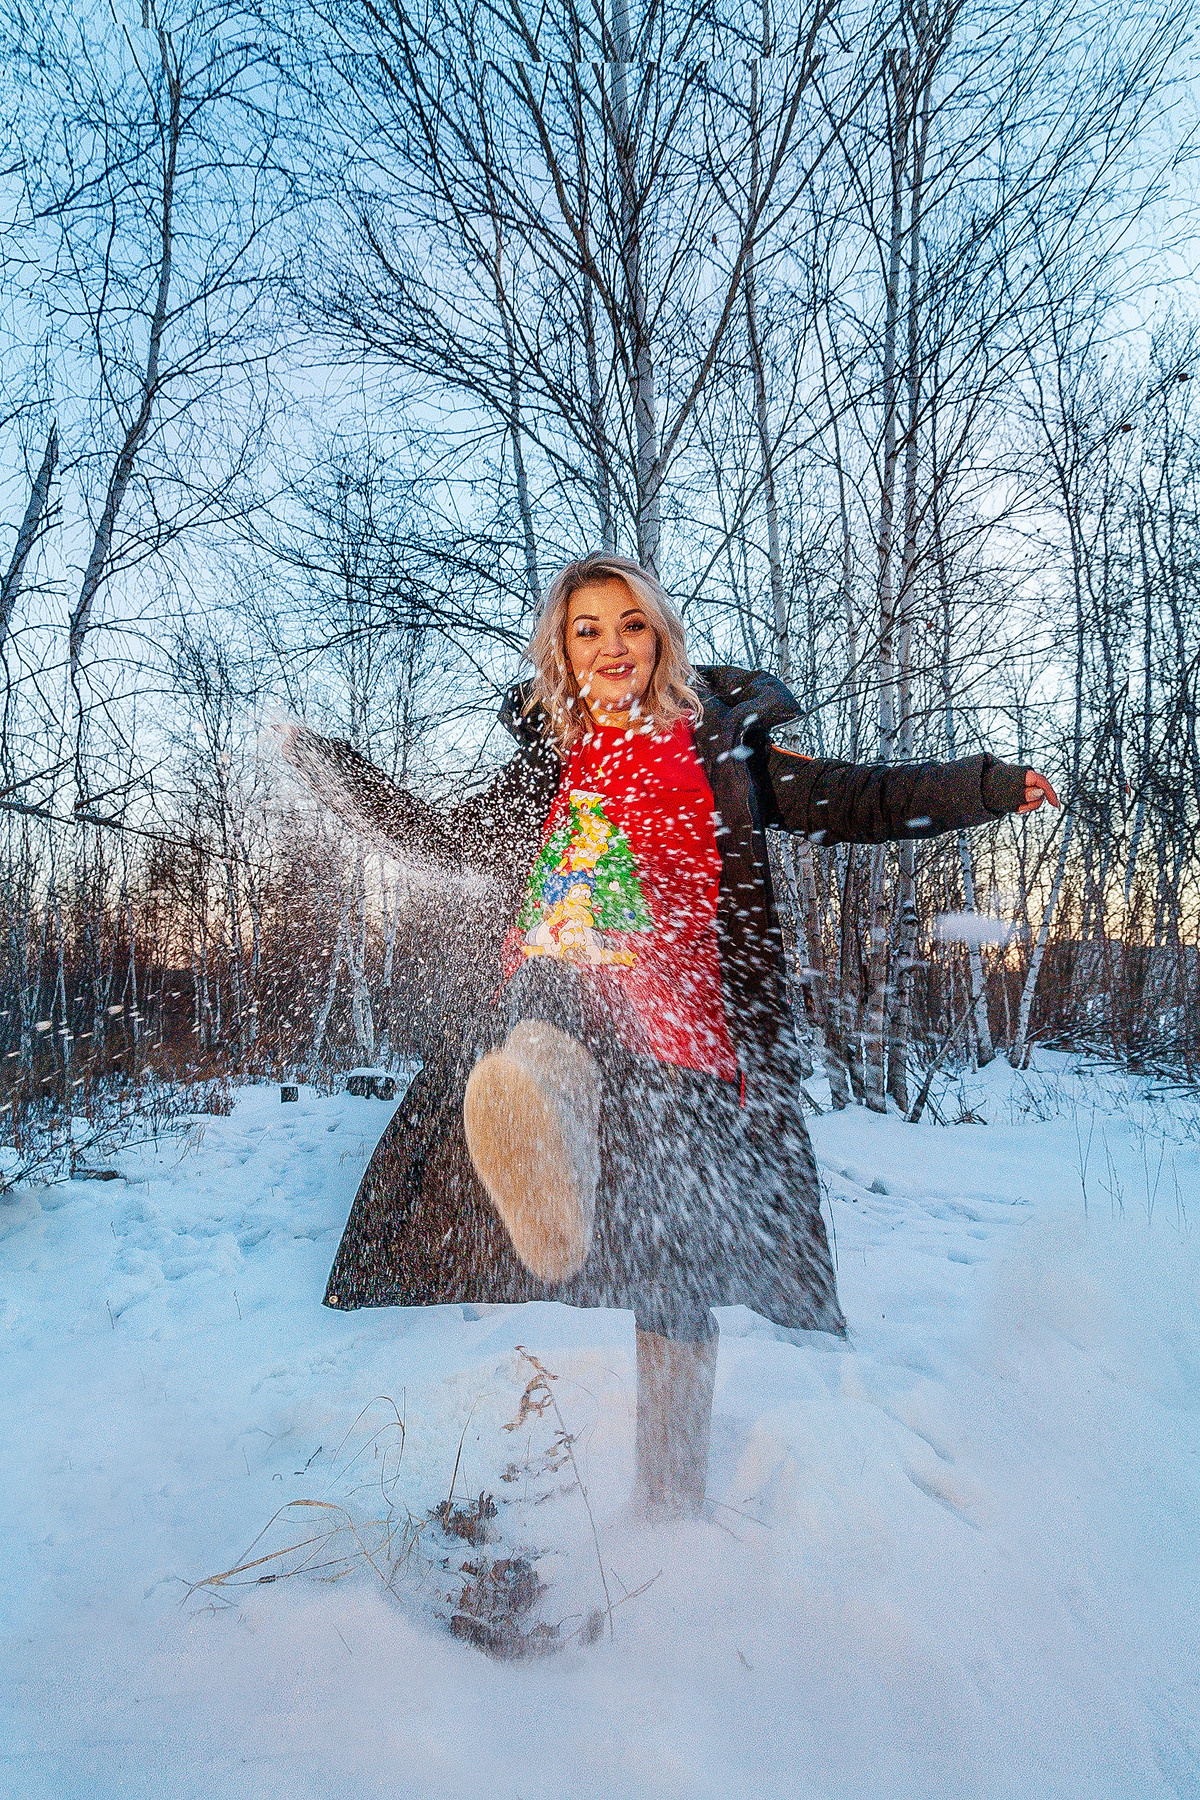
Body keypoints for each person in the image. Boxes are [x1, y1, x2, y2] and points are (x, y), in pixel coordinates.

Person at [279, 552, 1058, 1520]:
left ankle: (669, 1499)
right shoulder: (551, 762)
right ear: (562, 654)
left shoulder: (723, 745)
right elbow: (442, 840)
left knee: (674, 1275)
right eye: (588, 630)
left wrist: (982, 785)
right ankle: (543, 1134)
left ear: (659, 636)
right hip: (566, 1000)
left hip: (682, 1045)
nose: (613, 645)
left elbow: (850, 799)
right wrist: (340, 776)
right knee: (550, 1003)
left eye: (631, 624)